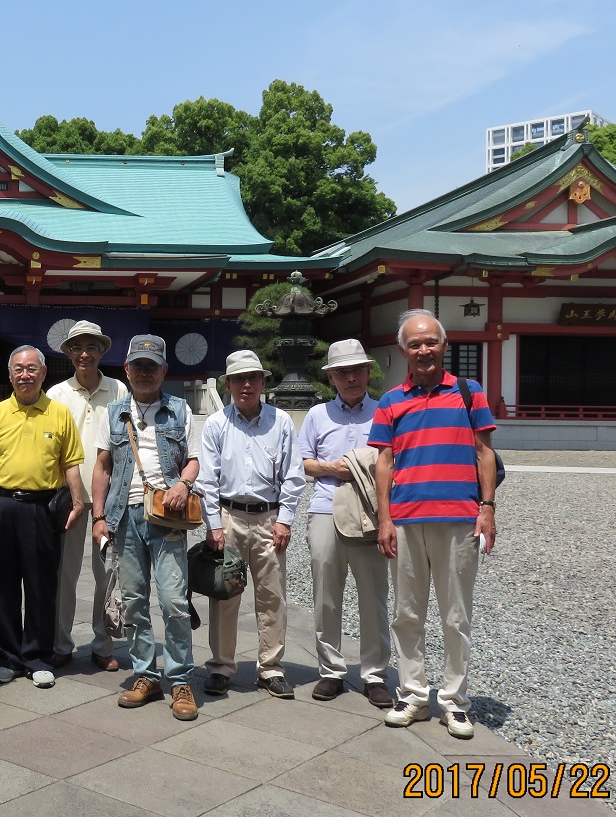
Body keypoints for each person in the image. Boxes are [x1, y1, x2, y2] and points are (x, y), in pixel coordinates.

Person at [370, 309, 497, 739]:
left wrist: (488, 507)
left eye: (431, 342)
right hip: (405, 520)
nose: (423, 350)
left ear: (444, 345)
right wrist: (384, 517)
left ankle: (456, 700)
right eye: (414, 343)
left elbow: (484, 454)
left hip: (458, 518)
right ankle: (412, 693)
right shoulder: (390, 401)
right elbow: (384, 463)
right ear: (402, 350)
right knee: (407, 613)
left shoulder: (468, 392)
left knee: (456, 614)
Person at [92, 334, 200, 721]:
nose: (143, 372)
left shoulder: (180, 410)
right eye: (137, 365)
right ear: (126, 369)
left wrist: (182, 484)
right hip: (124, 516)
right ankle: (145, 674)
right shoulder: (114, 412)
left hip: (167, 515)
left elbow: (193, 460)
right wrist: (98, 516)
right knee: (134, 601)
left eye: (151, 366)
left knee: (173, 601)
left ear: (164, 371)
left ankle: (181, 678)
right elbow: (103, 466)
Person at [0, 345, 84, 689]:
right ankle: (8, 657)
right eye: (19, 369)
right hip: (2, 506)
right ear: (10, 375)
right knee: (4, 585)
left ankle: (38, 657)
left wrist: (79, 502)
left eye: (32, 369)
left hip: (42, 508)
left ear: (43, 374)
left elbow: (71, 464)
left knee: (41, 585)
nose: (25, 375)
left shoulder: (59, 413)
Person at [197, 350, 305, 700]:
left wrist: (286, 520)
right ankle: (221, 665)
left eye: (253, 378)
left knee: (272, 595)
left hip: (269, 518)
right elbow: (208, 480)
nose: (246, 385)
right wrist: (213, 525)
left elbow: (293, 475)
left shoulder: (281, 422)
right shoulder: (216, 424)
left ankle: (271, 667)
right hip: (228, 517)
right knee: (225, 593)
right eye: (239, 379)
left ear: (263, 382)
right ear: (227, 384)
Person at [298, 339, 393, 707]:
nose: (351, 378)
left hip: (371, 509)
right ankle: (331, 670)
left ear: (368, 372)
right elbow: (302, 462)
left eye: (356, 370)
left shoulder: (385, 411)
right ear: (331, 378)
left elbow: (395, 458)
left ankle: (374, 674)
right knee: (326, 594)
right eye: (342, 372)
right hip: (325, 505)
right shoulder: (318, 415)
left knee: (373, 595)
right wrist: (332, 468)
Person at [47, 321, 128, 672]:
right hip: (68, 497)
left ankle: (102, 641)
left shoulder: (118, 390)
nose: (85, 354)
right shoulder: (56, 394)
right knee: (64, 572)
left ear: (102, 351)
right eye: (77, 347)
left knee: (107, 570)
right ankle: (61, 641)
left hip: (109, 498)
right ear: (68, 353)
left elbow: (127, 441)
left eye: (92, 347)